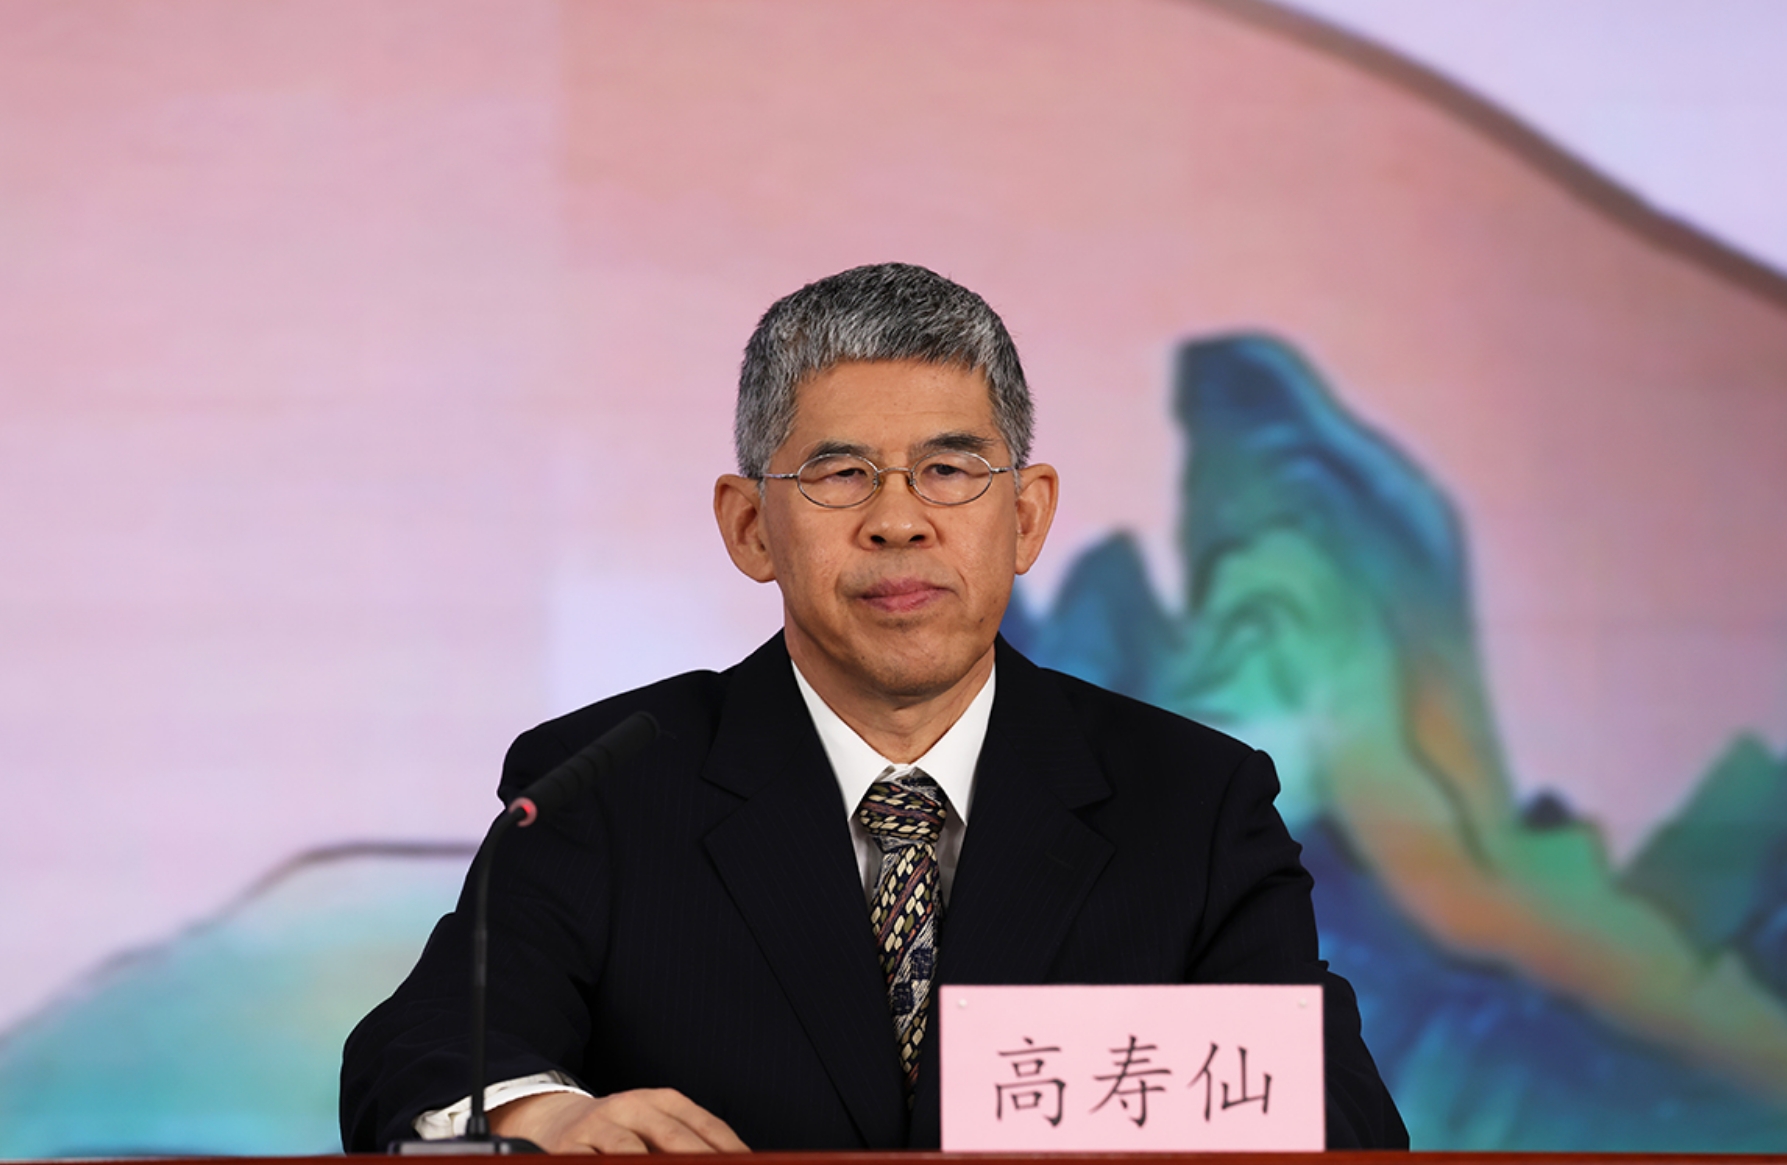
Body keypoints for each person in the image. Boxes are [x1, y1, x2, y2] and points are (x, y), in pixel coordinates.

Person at [339, 263, 1408, 1153]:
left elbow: (1338, 1112)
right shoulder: (604, 785)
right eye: (840, 473)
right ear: (749, 526)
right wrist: (543, 1117)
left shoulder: (1192, 799)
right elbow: (423, 1048)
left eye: (948, 469)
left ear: (1026, 516)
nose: (898, 520)